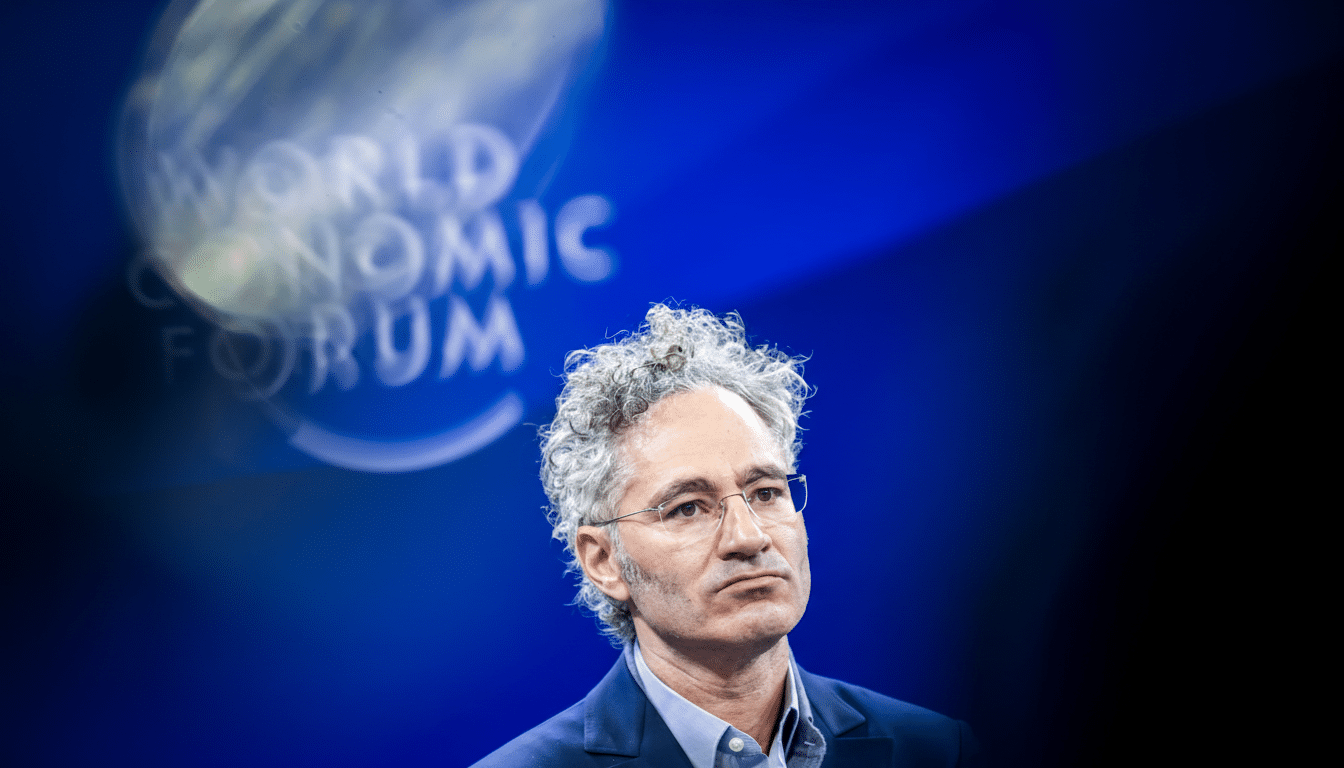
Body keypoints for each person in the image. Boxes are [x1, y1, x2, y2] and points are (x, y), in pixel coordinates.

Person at [472, 304, 979, 768]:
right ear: (604, 560)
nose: (748, 537)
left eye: (764, 492)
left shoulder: (936, 750)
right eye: (688, 507)